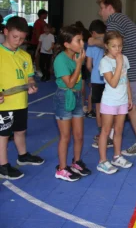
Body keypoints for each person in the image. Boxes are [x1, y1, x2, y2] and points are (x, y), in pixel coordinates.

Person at [90, 0, 136, 156]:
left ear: (110, 8)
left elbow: (110, 42)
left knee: (132, 107)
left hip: (133, 70)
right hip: (132, 69)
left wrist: (94, 41)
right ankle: (110, 136)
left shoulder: (114, 19)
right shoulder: (122, 20)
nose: (100, 12)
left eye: (102, 8)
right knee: (122, 103)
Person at [0, 16, 44, 180]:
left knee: (20, 131)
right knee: (3, 135)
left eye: (22, 38)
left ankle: (23, 155)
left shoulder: (25, 56)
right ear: (6, 32)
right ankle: (3, 166)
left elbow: (29, 77)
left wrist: (31, 84)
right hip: (3, 106)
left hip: (20, 102)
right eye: (14, 37)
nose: (18, 41)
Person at [53, 26, 91, 182]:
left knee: (79, 135)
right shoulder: (60, 60)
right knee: (65, 136)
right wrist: (78, 64)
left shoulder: (77, 55)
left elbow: (78, 83)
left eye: (82, 40)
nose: (82, 43)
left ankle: (76, 162)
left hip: (76, 97)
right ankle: (62, 168)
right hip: (64, 96)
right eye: (78, 40)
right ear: (67, 44)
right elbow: (69, 83)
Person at [97, 31, 133, 174]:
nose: (117, 49)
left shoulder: (124, 58)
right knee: (106, 131)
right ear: (106, 46)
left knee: (119, 130)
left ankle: (117, 156)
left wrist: (129, 97)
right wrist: (118, 65)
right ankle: (102, 161)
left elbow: (126, 79)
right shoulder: (105, 62)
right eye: (114, 46)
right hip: (110, 102)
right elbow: (112, 83)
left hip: (122, 101)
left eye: (120, 46)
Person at [86, 20, 114, 148]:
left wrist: (94, 74)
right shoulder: (110, 41)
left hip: (97, 79)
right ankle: (111, 134)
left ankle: (102, 133)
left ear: (93, 32)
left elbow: (88, 65)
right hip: (110, 79)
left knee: (99, 109)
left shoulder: (91, 44)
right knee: (110, 107)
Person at [30, 9, 48, 76]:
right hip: (36, 42)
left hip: (43, 42)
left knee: (42, 56)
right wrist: (39, 42)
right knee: (37, 56)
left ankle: (39, 68)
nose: (46, 15)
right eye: (45, 14)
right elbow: (37, 34)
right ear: (42, 15)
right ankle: (37, 69)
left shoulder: (44, 23)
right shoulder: (38, 22)